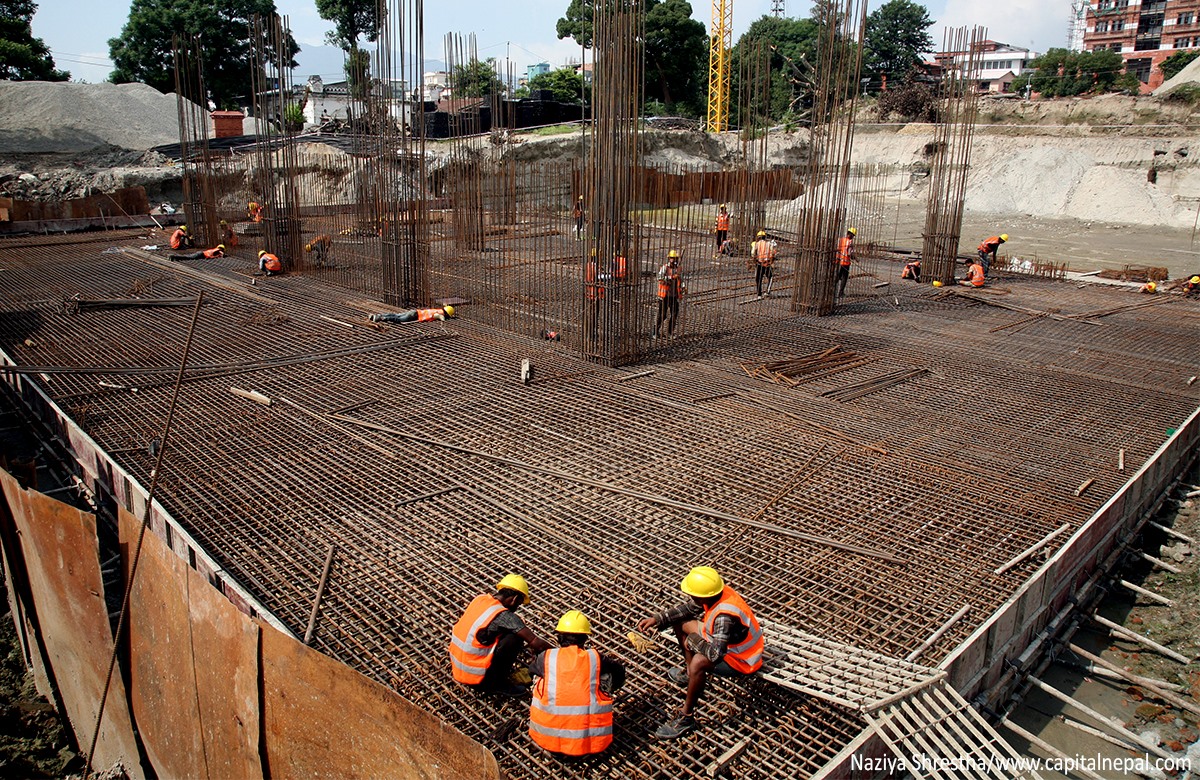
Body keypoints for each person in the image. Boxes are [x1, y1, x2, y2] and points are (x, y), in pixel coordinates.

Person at [636, 566, 763, 739]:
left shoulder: (724, 616)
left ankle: (686, 717)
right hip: (725, 642)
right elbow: (688, 609)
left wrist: (692, 641)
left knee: (698, 661)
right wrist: (658, 619)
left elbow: (714, 655)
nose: (690, 597)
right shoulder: (716, 593)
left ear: (704, 595)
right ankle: (690, 675)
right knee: (680, 622)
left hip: (742, 659)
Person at [528, 610, 623, 757]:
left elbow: (530, 672)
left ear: (559, 637)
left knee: (540, 679)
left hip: (547, 740)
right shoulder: (594, 658)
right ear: (585, 638)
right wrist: (604, 692)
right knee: (604, 676)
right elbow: (619, 672)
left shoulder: (547, 657)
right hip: (591, 742)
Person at [449, 574, 551, 695]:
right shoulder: (504, 615)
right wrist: (561, 654)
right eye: (519, 603)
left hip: (458, 668)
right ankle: (498, 684)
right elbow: (536, 643)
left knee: (505, 632)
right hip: (477, 678)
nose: (517, 607)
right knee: (515, 638)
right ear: (514, 599)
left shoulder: (480, 599)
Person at [655, 250, 684, 339]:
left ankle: (670, 332)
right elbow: (659, 278)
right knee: (662, 315)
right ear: (669, 258)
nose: (673, 260)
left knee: (674, 314)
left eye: (674, 258)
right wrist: (670, 277)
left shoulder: (678, 268)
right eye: (671, 258)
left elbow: (681, 279)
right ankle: (655, 331)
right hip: (664, 296)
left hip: (674, 296)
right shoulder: (665, 268)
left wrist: (683, 287)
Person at [751, 230, 777, 298]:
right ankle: (767, 292)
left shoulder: (756, 244)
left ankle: (759, 294)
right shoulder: (769, 244)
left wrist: (755, 261)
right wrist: (772, 261)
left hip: (759, 264)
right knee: (770, 277)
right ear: (765, 237)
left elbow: (753, 253)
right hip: (767, 264)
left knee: (758, 279)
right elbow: (773, 253)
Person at [370, 304, 456, 323]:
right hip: (415, 316)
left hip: (415, 312)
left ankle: (379, 315)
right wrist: (444, 319)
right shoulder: (440, 313)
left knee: (396, 315)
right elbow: (439, 316)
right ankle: (381, 318)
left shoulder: (437, 309)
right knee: (399, 320)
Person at [835, 227, 856, 298]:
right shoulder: (849, 242)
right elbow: (850, 253)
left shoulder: (841, 240)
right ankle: (841, 293)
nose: (852, 237)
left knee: (838, 276)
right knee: (844, 278)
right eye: (852, 235)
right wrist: (855, 258)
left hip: (838, 261)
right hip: (846, 263)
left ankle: (832, 290)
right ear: (850, 234)